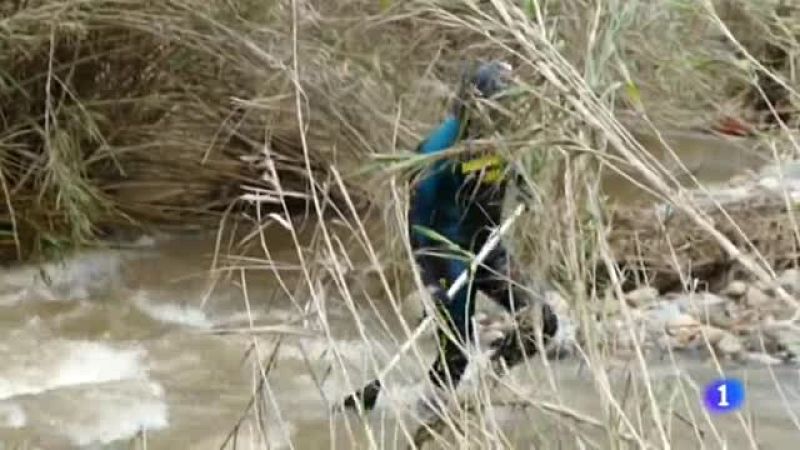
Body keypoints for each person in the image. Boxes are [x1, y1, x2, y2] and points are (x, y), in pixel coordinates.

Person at [341, 60, 559, 414]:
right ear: (478, 105)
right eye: (501, 104)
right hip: (445, 249)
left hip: (488, 247)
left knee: (542, 320)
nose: (509, 112)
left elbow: (512, 172)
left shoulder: (502, 138)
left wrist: (525, 190)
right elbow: (419, 216)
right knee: (457, 348)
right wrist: (433, 278)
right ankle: (432, 413)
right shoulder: (438, 151)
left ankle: (487, 385)